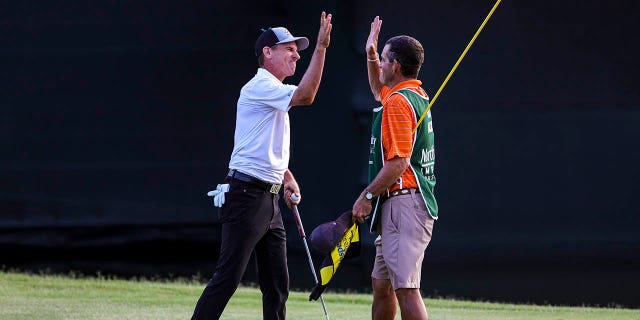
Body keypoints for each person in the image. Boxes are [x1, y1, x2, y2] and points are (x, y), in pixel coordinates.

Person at [191, 12, 332, 320]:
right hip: (246, 196)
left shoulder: (274, 93)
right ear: (267, 52)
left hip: (268, 199)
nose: (296, 54)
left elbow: (260, 145)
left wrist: (287, 176)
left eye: (300, 49)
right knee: (227, 279)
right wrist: (320, 47)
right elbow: (306, 96)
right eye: (289, 49)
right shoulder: (260, 86)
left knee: (277, 284)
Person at [351, 16, 438, 320]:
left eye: (385, 60)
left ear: (397, 66)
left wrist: (367, 196)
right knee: (383, 285)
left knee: (405, 288)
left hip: (405, 204)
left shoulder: (400, 103)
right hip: (399, 205)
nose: (381, 65)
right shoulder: (407, 94)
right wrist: (372, 53)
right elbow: (378, 89)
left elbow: (399, 162)